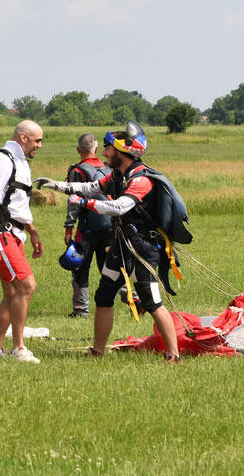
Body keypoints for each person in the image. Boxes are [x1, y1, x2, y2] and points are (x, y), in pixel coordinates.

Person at [35, 121, 182, 362]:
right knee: (104, 296)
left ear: (122, 150)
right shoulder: (117, 175)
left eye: (107, 148)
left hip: (142, 248)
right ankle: (98, 351)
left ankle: (174, 355)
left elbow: (119, 206)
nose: (103, 153)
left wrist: (85, 204)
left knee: (151, 301)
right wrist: (58, 185)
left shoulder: (141, 179)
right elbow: (91, 187)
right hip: (122, 245)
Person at [0, 120, 44, 363]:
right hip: (0, 234)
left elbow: (17, 203)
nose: (40, 146)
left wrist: (32, 231)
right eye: (37, 140)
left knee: (12, 293)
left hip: (13, 233)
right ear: (23, 137)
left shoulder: (20, 161)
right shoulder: (3, 161)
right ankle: (19, 348)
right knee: (26, 286)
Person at [63, 134, 112, 318]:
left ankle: (81, 310)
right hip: (110, 225)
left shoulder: (77, 170)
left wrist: (69, 228)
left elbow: (73, 201)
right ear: (97, 150)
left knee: (80, 267)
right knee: (110, 268)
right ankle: (133, 300)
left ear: (78, 150)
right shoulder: (109, 169)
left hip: (87, 228)